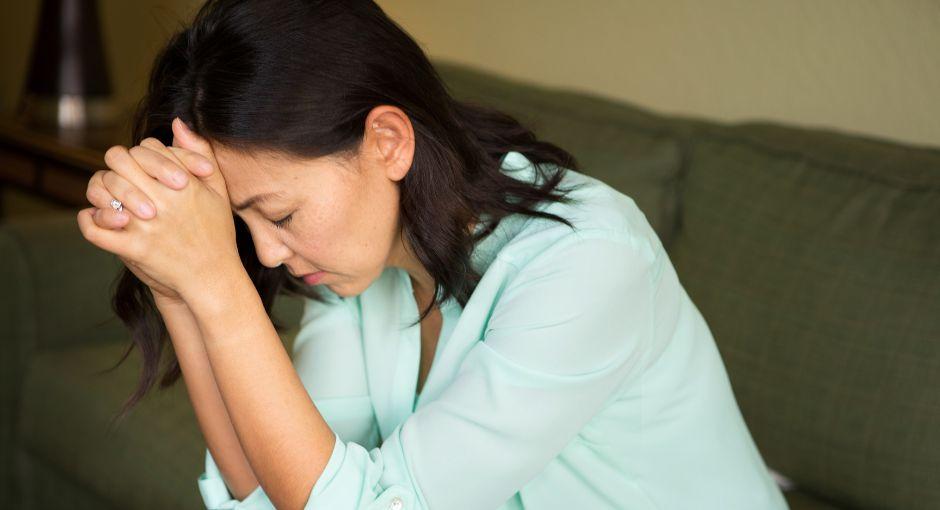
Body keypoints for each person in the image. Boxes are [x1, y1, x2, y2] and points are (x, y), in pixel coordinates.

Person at [77, 1, 790, 509]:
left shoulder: (588, 264)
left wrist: (218, 285)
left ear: (387, 142)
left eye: (282, 213)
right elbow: (285, 490)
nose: (267, 252)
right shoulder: (356, 268)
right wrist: (178, 290)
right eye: (240, 226)